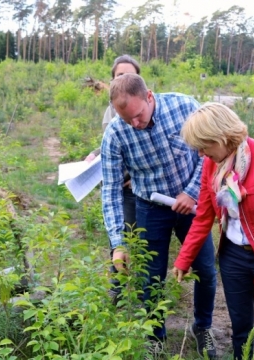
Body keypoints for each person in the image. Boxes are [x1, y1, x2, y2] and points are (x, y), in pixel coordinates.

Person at [101, 73, 217, 359]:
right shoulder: (116, 134)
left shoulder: (185, 107)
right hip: (150, 208)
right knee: (151, 277)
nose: (135, 125)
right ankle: (156, 337)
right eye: (128, 120)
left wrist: (191, 192)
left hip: (191, 206)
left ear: (149, 96)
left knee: (205, 270)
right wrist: (118, 243)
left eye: (139, 116)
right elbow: (111, 191)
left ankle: (202, 328)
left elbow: (211, 154)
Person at [172, 102, 254, 360]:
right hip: (233, 257)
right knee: (241, 330)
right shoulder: (212, 164)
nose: (201, 154)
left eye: (204, 146)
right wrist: (184, 259)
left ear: (221, 137)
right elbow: (203, 217)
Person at [84, 55, 141, 302]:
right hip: (121, 185)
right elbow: (112, 144)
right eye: (120, 75)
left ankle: (144, 291)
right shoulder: (111, 109)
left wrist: (136, 175)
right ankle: (117, 289)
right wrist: (95, 154)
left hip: (140, 185)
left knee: (141, 237)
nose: (125, 79)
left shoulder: (143, 104)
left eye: (130, 75)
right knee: (119, 234)